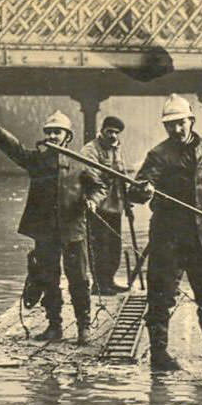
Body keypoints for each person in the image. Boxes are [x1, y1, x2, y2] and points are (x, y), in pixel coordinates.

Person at [129, 94, 202, 372]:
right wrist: (143, 190)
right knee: (161, 295)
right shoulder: (158, 154)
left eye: (180, 123)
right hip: (168, 237)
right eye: (170, 125)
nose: (176, 130)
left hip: (201, 234)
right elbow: (138, 189)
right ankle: (159, 354)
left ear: (192, 120)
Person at [0, 112, 106, 345]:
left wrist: (92, 200)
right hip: (45, 231)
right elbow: (16, 150)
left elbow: (99, 187)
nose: (52, 136)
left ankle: (83, 327)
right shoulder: (37, 160)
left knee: (78, 279)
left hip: (73, 230)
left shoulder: (81, 163)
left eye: (57, 132)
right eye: (48, 132)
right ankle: (54, 326)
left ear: (67, 136)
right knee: (49, 277)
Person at [80, 115, 130, 295]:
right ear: (102, 130)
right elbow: (89, 175)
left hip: (115, 205)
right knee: (100, 245)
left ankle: (109, 280)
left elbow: (122, 173)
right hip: (98, 206)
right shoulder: (90, 149)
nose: (113, 136)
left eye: (116, 133)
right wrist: (107, 177)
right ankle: (99, 284)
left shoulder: (117, 148)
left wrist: (127, 201)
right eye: (110, 131)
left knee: (114, 246)